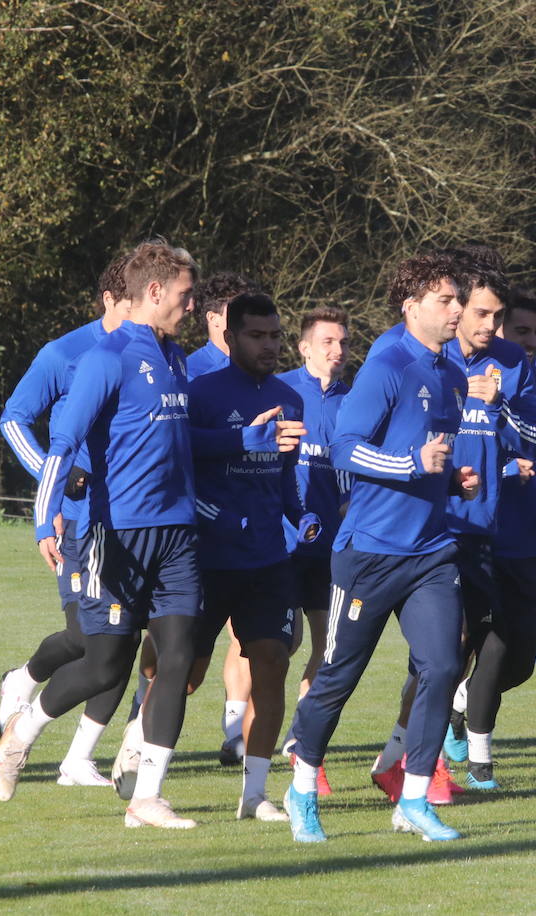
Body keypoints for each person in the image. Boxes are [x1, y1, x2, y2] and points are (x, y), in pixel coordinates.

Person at [0, 240, 210, 829]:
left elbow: (185, 441)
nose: (192, 307)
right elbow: (60, 448)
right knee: (105, 665)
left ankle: (148, 797)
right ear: (155, 291)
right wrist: (45, 517)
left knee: (178, 656)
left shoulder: (177, 358)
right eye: (186, 296)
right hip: (117, 535)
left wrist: (251, 443)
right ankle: (24, 730)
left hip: (178, 536)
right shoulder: (104, 358)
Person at [284, 251, 477, 843]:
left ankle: (414, 798)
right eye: (445, 300)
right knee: (340, 675)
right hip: (369, 552)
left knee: (443, 665)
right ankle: (300, 787)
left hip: (431, 552)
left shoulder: (454, 374)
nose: (457, 310)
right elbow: (345, 448)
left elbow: (430, 455)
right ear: (411, 304)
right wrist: (412, 464)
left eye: (457, 299)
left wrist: (450, 476)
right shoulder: (387, 366)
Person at [0, 255, 132, 788]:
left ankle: (78, 760)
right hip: (76, 521)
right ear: (109, 301)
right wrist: (54, 483)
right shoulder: (65, 353)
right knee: (84, 636)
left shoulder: (158, 357)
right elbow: (13, 418)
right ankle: (21, 680)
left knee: (117, 642)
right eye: (130, 305)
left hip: (131, 525)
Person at [187, 292, 317, 821]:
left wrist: (301, 515)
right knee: (183, 672)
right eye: (257, 336)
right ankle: (139, 749)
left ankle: (255, 793)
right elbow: (181, 452)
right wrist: (245, 439)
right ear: (230, 337)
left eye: (274, 337)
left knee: (272, 661)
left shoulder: (290, 397)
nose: (268, 346)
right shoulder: (201, 392)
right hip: (207, 558)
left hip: (267, 559)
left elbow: (283, 477)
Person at [434, 262, 536, 791]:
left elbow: (533, 434)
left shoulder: (510, 364)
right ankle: (469, 756)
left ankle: (461, 702)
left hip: (504, 532)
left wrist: (496, 405)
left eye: (498, 316)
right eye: (482, 313)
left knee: (519, 653)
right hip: (447, 530)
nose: (491, 326)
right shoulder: (430, 359)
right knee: (453, 645)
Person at [275, 306, 352, 796]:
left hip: (333, 549)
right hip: (281, 547)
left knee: (331, 648)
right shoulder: (282, 393)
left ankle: (301, 742)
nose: (337, 351)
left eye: (343, 343)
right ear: (304, 347)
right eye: (327, 342)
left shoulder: (357, 400)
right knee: (280, 647)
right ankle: (243, 736)